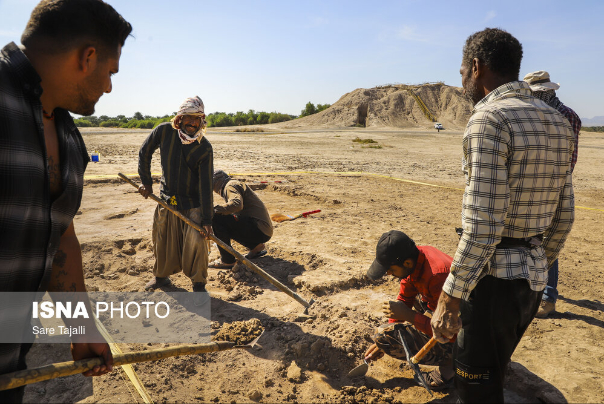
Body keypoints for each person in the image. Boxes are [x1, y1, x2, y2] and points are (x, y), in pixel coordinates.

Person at [430, 28, 575, 403]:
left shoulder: (489, 119)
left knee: (474, 387)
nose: (460, 79)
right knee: (495, 370)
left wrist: (451, 295)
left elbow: (483, 225)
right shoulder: (559, 121)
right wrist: (539, 263)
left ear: (476, 67)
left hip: (491, 282)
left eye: (462, 71)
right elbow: (565, 215)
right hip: (530, 280)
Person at [0, 0, 132, 401]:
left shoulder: (70, 138)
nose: (109, 87)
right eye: (110, 73)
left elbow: (61, 239)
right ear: (87, 57)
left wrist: (82, 328)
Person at [138, 96, 214, 295]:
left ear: (202, 121)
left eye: (197, 119)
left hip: (193, 203)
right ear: (179, 119)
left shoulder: (204, 148)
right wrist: (146, 181)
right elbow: (145, 152)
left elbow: (206, 186)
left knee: (198, 241)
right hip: (167, 200)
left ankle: (199, 285)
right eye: (188, 118)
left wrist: (207, 220)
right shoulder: (164, 131)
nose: (192, 123)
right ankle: (161, 278)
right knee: (161, 240)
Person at [523, 70, 582, 318]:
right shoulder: (538, 114)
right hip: (534, 186)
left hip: (552, 189)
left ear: (546, 92)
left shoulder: (565, 117)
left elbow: (569, 161)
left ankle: (547, 297)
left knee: (545, 241)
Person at [364, 231, 455, 390]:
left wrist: (409, 316)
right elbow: (405, 299)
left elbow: (449, 331)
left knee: (385, 337)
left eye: (391, 269)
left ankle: (453, 366)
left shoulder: (437, 276)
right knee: (386, 334)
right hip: (447, 316)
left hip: (467, 335)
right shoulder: (416, 258)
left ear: (406, 263)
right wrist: (391, 328)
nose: (389, 274)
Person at [209, 170, 273, 269]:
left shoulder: (229, 186)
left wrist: (213, 211)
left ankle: (227, 260)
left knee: (217, 218)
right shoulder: (233, 184)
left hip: (259, 229)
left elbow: (236, 205)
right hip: (263, 230)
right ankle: (255, 246)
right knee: (228, 221)